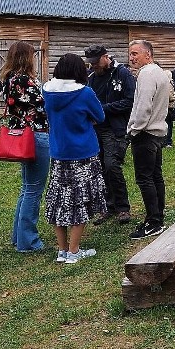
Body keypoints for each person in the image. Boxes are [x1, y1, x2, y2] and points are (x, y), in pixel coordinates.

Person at [42, 53, 106, 264]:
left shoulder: (47, 90)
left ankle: (62, 250)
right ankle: (74, 250)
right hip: (83, 154)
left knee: (59, 200)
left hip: (59, 154)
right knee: (80, 200)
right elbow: (100, 116)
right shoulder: (85, 93)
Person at [0, 41, 50, 253]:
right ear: (25, 57)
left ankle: (18, 236)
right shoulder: (24, 80)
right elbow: (43, 106)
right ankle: (28, 241)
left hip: (22, 135)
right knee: (33, 189)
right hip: (35, 134)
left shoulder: (9, 78)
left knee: (26, 187)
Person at [84, 44, 136, 225]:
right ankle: (108, 206)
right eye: (90, 63)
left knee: (112, 165)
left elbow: (130, 101)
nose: (93, 66)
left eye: (96, 62)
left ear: (106, 57)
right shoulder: (91, 78)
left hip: (115, 128)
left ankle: (123, 208)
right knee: (99, 168)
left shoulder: (123, 74)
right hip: (96, 128)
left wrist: (102, 109)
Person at [126, 40, 171, 240]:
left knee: (145, 179)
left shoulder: (146, 74)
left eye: (136, 53)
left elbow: (143, 106)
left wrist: (134, 129)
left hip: (145, 133)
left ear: (148, 54)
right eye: (131, 54)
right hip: (157, 132)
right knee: (155, 176)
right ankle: (157, 216)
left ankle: (154, 222)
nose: (132, 57)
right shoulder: (160, 73)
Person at [164, 69, 175, 147]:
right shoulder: (169, 85)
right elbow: (169, 97)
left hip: (165, 107)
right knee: (169, 125)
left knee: (166, 124)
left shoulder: (163, 84)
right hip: (169, 107)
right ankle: (168, 142)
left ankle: (165, 141)